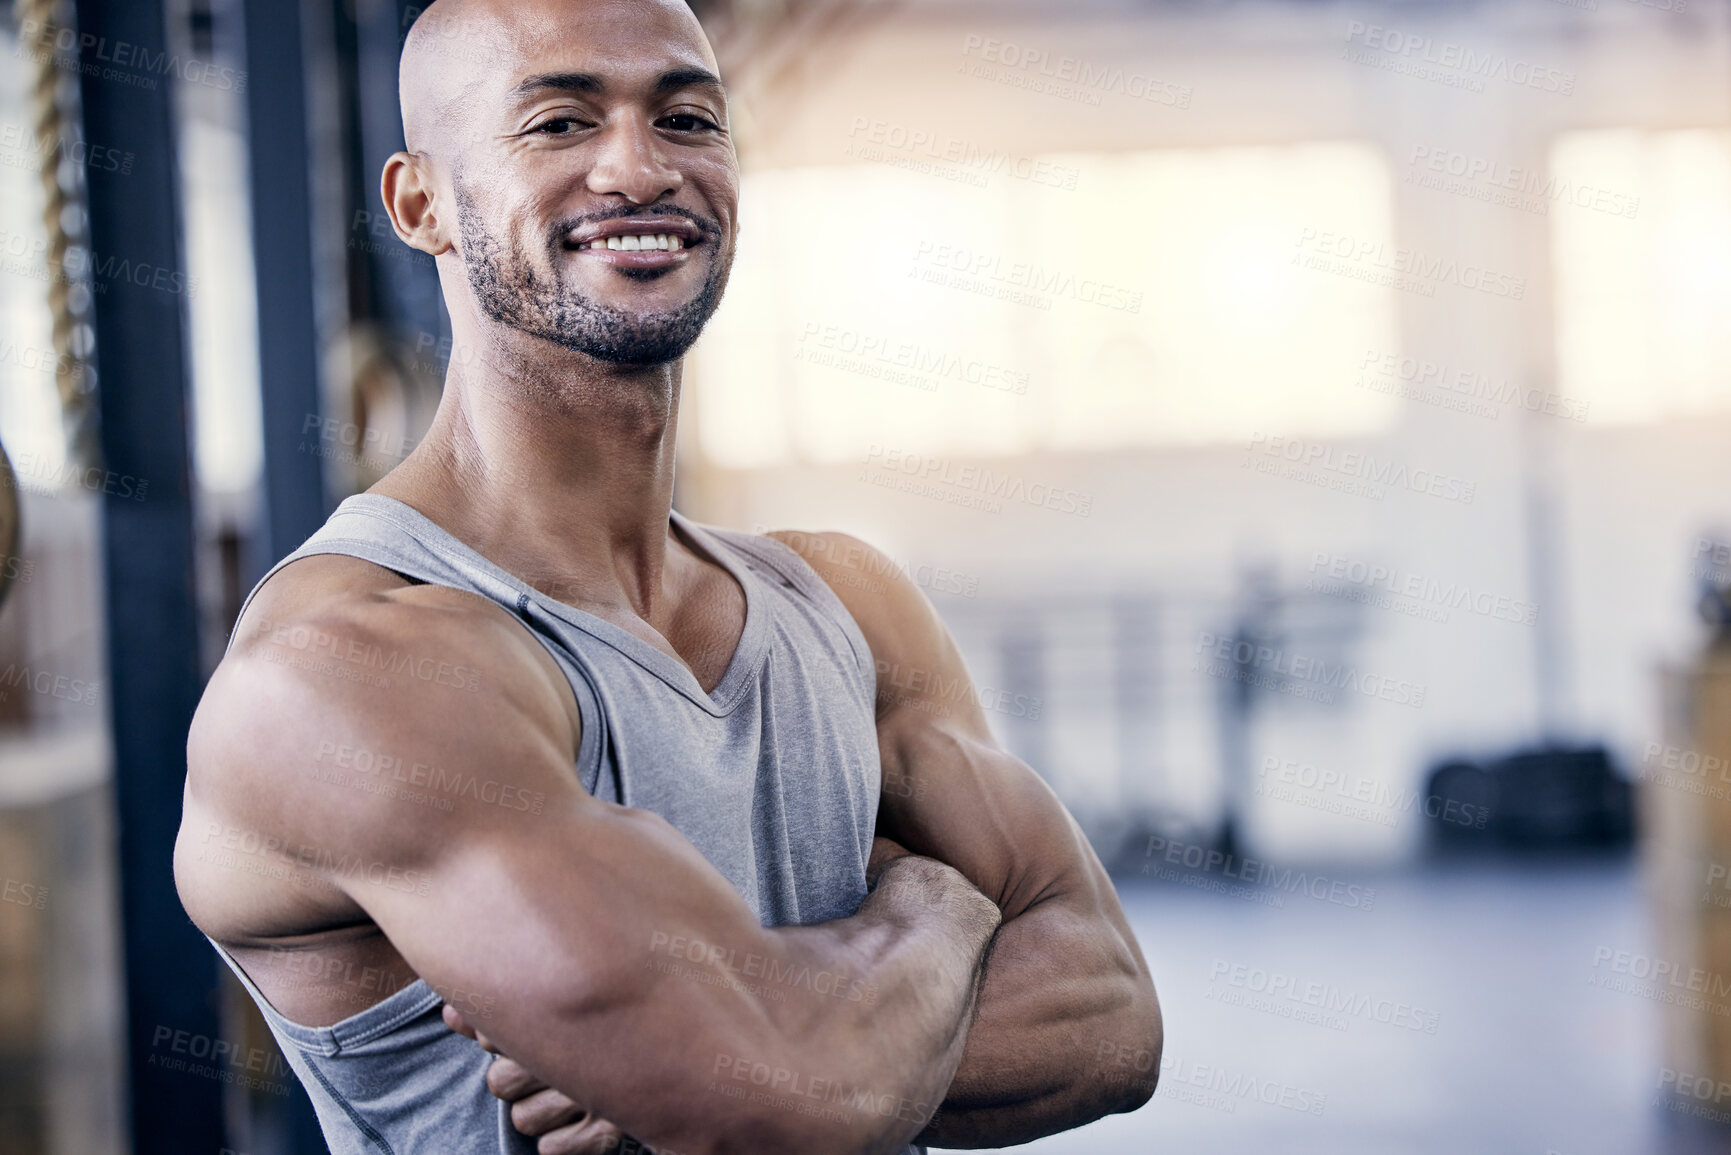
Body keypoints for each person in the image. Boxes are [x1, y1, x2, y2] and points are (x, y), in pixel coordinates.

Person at [173, 0, 1161, 1150]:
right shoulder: (347, 669)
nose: (640, 169)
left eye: (688, 117)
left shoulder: (845, 605)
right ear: (421, 203)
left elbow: (1112, 1018)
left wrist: (750, 1049)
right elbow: (772, 1098)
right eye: (558, 123)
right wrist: (938, 905)